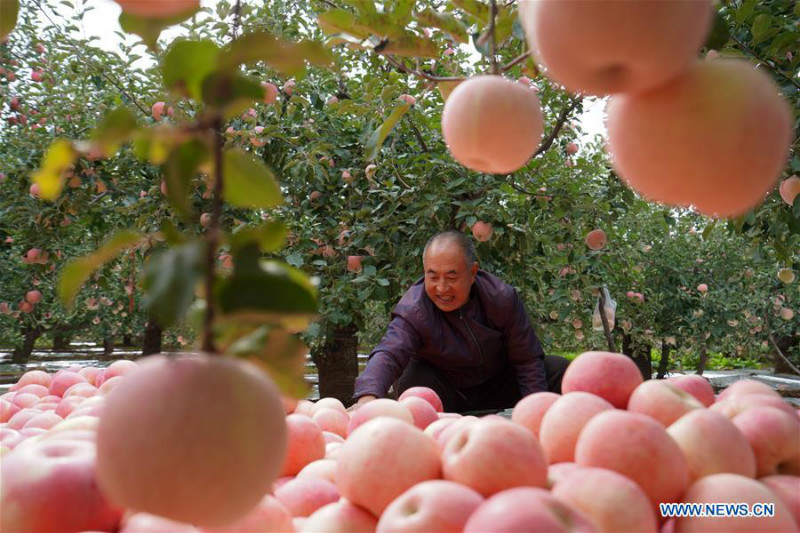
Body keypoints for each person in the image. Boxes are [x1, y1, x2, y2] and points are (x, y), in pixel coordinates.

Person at [352, 230, 570, 413]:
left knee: (557, 369)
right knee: (414, 380)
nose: (442, 288)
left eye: (452, 276)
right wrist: (367, 397)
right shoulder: (414, 309)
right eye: (433, 276)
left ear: (472, 272)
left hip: (498, 385)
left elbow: (526, 360)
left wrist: (536, 410)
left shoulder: (501, 298)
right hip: (447, 394)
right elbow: (389, 352)